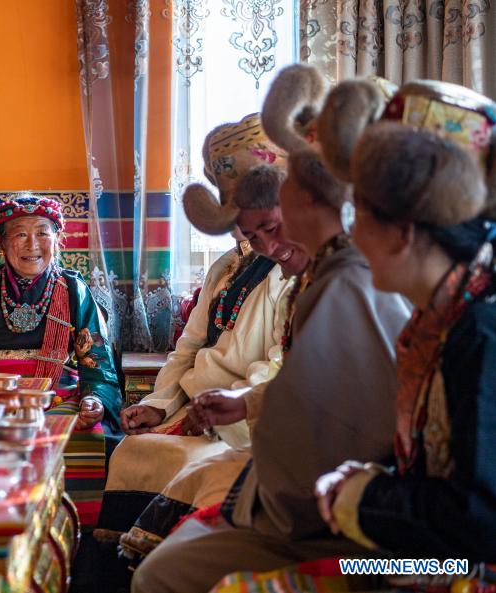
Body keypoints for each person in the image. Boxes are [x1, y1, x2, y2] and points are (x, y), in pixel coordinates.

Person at [130, 64, 412, 593]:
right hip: (318, 503)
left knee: (164, 573)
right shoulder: (319, 275)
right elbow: (310, 390)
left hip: (369, 538)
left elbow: (345, 425)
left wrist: (259, 468)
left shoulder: (346, 280)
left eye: (275, 215)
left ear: (304, 202)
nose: (264, 238)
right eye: (250, 230)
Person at [96, 116, 312, 565]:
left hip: (237, 425)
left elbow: (279, 364)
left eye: (261, 222)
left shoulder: (292, 271)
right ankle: (122, 565)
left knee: (186, 468)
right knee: (131, 450)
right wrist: (161, 404)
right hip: (196, 407)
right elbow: (189, 348)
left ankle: (166, 564)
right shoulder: (224, 269)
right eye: (243, 222)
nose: (256, 237)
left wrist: (224, 408)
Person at [312, 81, 496, 560]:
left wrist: (363, 499)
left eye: (362, 212)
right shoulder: (440, 318)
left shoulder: (480, 329)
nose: (352, 230)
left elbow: (480, 520)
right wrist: (367, 484)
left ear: (403, 232)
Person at [0, 193, 123, 521]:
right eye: (20, 234)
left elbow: (96, 361)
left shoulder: (73, 289)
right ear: (1, 243)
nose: (33, 243)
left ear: (56, 240)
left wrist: (96, 400)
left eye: (43, 232)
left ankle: (70, 527)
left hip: (59, 393)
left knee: (90, 435)